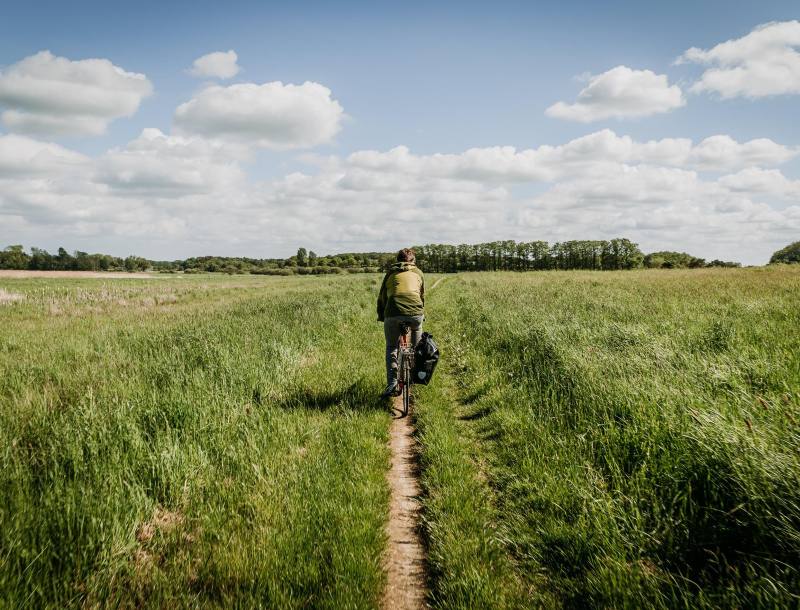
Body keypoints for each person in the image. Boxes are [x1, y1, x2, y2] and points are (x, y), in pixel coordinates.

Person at [377, 248, 425, 397]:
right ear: (413, 261)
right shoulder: (418, 273)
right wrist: (421, 314)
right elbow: (422, 295)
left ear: (398, 261)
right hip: (415, 312)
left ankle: (392, 384)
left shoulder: (390, 273)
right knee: (417, 346)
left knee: (392, 347)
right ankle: (415, 374)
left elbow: (382, 297)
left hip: (392, 312)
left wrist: (382, 315)